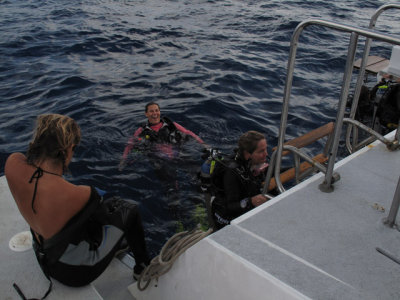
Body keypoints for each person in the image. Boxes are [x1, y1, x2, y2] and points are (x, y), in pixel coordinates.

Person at [4, 114, 150, 297]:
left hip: (42, 253)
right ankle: (142, 268)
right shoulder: (78, 193)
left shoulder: (12, 163)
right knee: (129, 210)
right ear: (68, 149)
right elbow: (102, 219)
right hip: (74, 273)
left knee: (89, 214)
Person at [119, 102, 206, 170]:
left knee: (197, 171)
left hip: (178, 153)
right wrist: (123, 160)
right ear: (146, 114)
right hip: (160, 160)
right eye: (151, 111)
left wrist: (204, 144)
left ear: (160, 112)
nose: (155, 113)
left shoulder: (171, 124)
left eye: (157, 110)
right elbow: (130, 144)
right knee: (171, 187)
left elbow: (189, 133)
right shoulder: (141, 130)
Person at [211, 130, 270, 230]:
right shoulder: (231, 173)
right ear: (247, 154)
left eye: (265, 149)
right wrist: (251, 202)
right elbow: (230, 206)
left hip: (243, 204)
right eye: (261, 151)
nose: (266, 154)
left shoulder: (251, 163)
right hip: (226, 217)